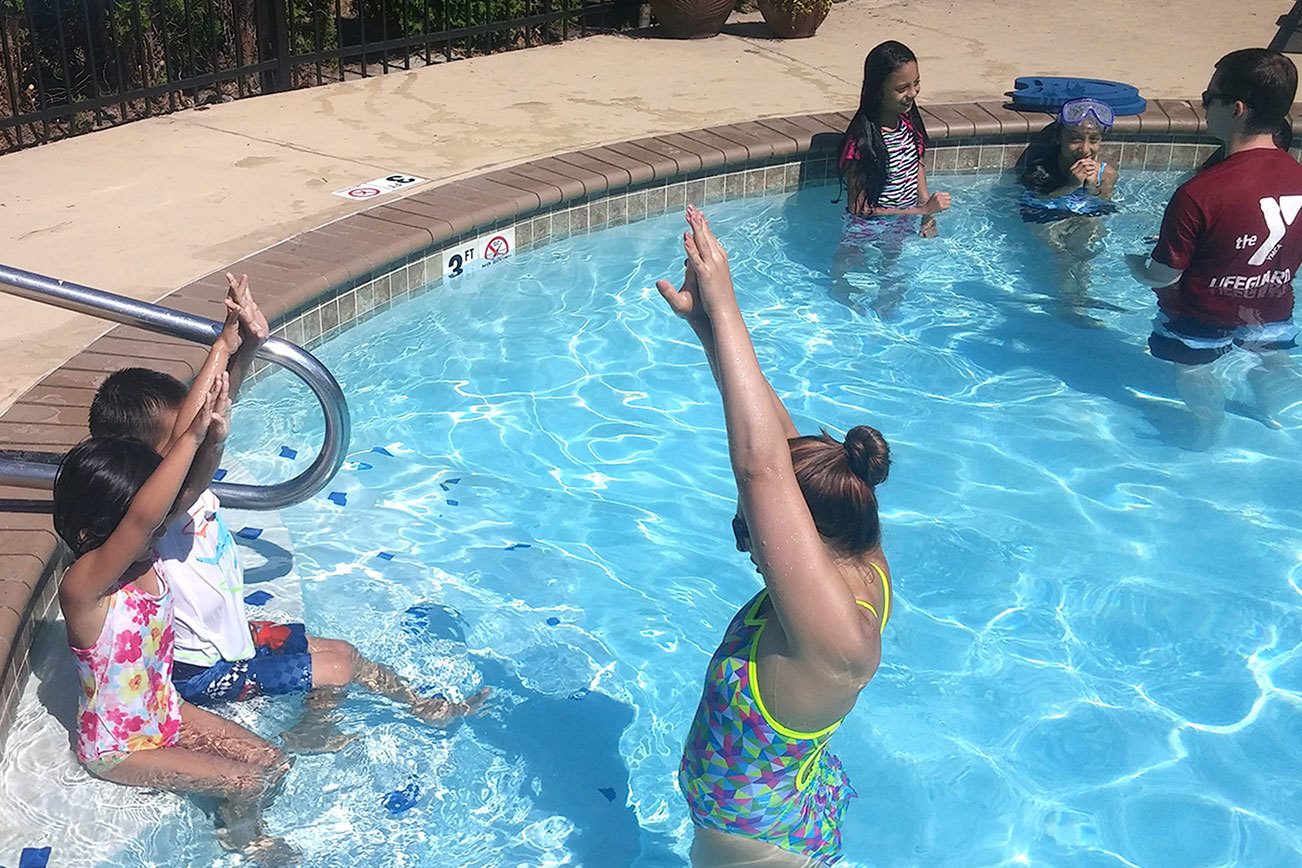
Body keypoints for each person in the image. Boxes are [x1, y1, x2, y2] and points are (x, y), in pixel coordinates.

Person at [89, 274, 487, 741]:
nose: (199, 432)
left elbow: (214, 405)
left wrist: (244, 345)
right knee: (336, 670)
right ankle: (311, 735)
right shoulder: (159, 512)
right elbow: (190, 433)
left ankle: (421, 708)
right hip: (197, 672)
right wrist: (222, 347)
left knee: (345, 654)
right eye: (184, 434)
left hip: (234, 640)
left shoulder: (182, 489)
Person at [660, 206, 894, 866]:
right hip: (786, 803)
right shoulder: (861, 553)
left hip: (761, 850)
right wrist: (708, 329)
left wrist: (725, 299)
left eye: (752, 529)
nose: (754, 542)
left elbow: (762, 467)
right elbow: (779, 452)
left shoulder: (838, 643)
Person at [53, 373, 294, 861]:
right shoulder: (85, 587)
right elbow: (143, 517)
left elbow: (185, 490)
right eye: (149, 520)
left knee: (273, 761)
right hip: (121, 749)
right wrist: (189, 437)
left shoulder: (149, 556)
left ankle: (238, 825)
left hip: (168, 713)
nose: (161, 526)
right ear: (97, 528)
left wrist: (213, 440)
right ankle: (244, 843)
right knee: (245, 780)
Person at [1126, 49, 1302, 445]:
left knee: (1191, 369)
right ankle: (1271, 414)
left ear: (1236, 109)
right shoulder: (1299, 177)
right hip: (1270, 307)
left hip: (1202, 314)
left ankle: (1209, 427)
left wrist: (1137, 265)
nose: (1203, 105)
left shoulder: (1199, 192)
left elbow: (1164, 274)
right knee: (1271, 358)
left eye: (1209, 98)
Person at [832, 40, 952, 315]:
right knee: (848, 277)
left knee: (892, 278)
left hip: (901, 220)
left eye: (916, 83)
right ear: (878, 90)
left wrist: (926, 215)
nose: (912, 93)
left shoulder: (909, 123)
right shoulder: (862, 141)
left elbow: (916, 164)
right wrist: (922, 209)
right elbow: (860, 209)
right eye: (901, 88)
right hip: (867, 227)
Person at [1017, 98, 1122, 327]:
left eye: (1093, 140)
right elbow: (1040, 197)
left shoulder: (1107, 174)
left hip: (1080, 215)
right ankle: (1066, 304)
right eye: (1075, 140)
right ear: (1058, 138)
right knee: (1061, 255)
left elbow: (1103, 205)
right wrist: (1072, 185)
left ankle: (1080, 301)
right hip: (1043, 214)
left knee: (1083, 252)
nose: (1085, 149)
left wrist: (1092, 186)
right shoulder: (1040, 169)